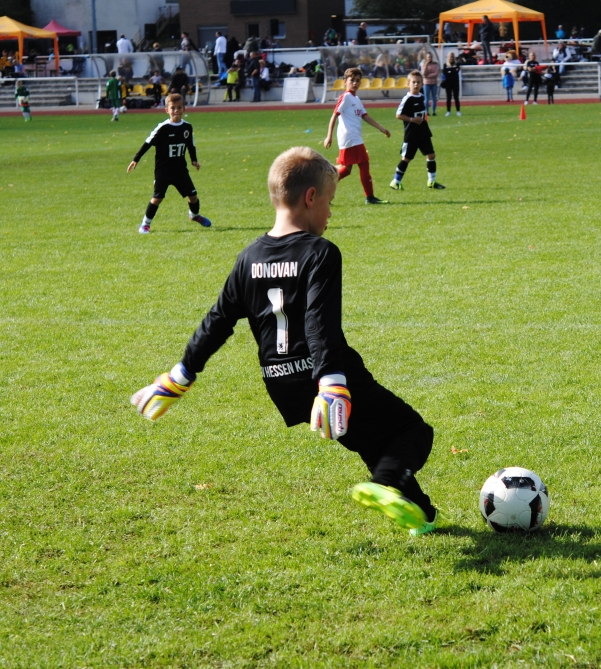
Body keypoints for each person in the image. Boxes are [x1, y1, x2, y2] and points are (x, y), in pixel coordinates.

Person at [130, 146, 442, 535]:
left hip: (282, 382)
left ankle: (423, 515)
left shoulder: (249, 257)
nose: (330, 213)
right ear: (311, 197)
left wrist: (181, 374)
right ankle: (385, 483)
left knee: (372, 439)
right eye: (329, 202)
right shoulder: (320, 253)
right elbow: (318, 321)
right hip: (326, 377)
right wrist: (331, 381)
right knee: (413, 431)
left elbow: (218, 320)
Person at [127, 94, 210, 234]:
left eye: (179, 107)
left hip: (180, 170)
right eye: (173, 108)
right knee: (157, 198)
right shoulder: (163, 128)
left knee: (193, 196)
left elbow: (190, 145)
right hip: (163, 170)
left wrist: (194, 160)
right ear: (167, 110)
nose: (176, 110)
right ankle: (145, 224)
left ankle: (194, 216)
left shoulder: (187, 127)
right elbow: (148, 143)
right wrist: (136, 159)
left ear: (184, 109)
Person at [322, 68, 391, 205]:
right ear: (345, 82)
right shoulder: (346, 97)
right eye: (352, 80)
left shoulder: (356, 99)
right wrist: (329, 136)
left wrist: (381, 128)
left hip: (354, 138)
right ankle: (369, 197)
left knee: (347, 170)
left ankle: (323, 190)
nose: (355, 83)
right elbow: (334, 115)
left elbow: (365, 116)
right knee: (363, 163)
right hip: (350, 138)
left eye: (358, 80)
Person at [390, 71, 445, 191]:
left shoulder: (422, 96)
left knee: (431, 155)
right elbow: (398, 115)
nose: (416, 84)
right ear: (408, 84)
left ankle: (431, 181)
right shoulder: (407, 99)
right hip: (412, 134)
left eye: (418, 82)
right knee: (406, 158)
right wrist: (412, 119)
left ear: (422, 84)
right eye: (413, 82)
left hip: (423, 132)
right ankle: (395, 181)